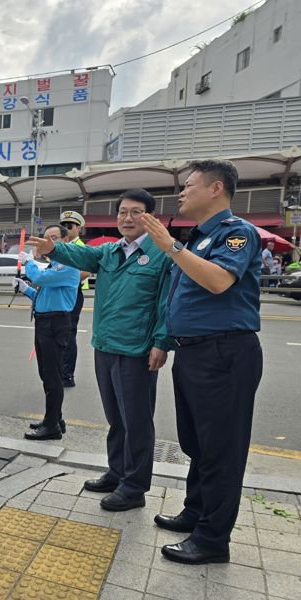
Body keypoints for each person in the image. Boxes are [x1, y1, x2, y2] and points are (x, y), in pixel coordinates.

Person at [142, 159, 262, 565]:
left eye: (189, 185)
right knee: (197, 443)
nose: (181, 192)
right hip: (193, 352)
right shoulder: (196, 239)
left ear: (215, 189)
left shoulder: (236, 234)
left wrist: (171, 247)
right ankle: (196, 512)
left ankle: (212, 539)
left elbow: (217, 281)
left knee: (221, 450)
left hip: (224, 353)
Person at [29, 189, 173, 512]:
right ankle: (118, 472)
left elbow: (166, 304)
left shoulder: (161, 255)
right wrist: (54, 248)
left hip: (136, 350)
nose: (127, 218)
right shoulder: (109, 252)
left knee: (136, 421)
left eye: (136, 212)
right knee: (116, 418)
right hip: (105, 346)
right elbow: (82, 257)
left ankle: (134, 487)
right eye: (123, 212)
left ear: (150, 218)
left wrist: (161, 343)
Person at [14, 225, 80, 441]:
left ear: (64, 240)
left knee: (52, 377)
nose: (47, 241)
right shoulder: (56, 265)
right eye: (45, 238)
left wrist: (29, 262)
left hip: (55, 324)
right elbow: (43, 295)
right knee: (46, 375)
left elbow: (41, 279)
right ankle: (55, 419)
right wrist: (25, 290)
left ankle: (52, 426)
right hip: (44, 322)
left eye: (53, 238)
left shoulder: (69, 264)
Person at [58, 210, 91, 388]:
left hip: (73, 292)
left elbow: (86, 271)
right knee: (59, 333)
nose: (66, 229)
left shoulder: (81, 247)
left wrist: (64, 279)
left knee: (69, 334)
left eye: (69, 226)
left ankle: (67, 375)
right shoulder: (61, 246)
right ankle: (59, 369)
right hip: (59, 292)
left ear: (78, 228)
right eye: (63, 226)